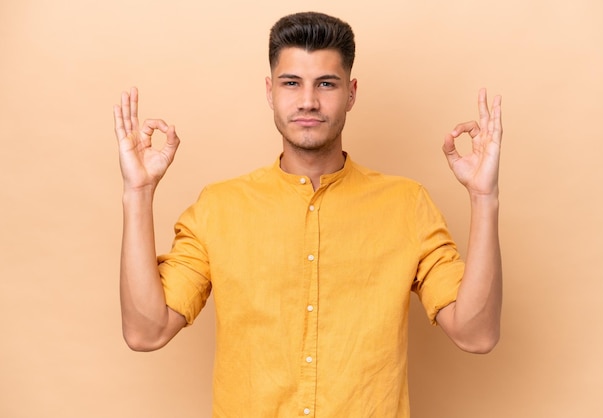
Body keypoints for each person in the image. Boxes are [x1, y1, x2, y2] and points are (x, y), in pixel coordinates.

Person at [113, 11, 502, 418]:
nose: (308, 101)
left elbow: (477, 334)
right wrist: (138, 192)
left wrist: (484, 197)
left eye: (326, 84)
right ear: (270, 91)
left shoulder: (408, 205)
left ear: (351, 93)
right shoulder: (218, 208)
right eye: (291, 83)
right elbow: (146, 331)